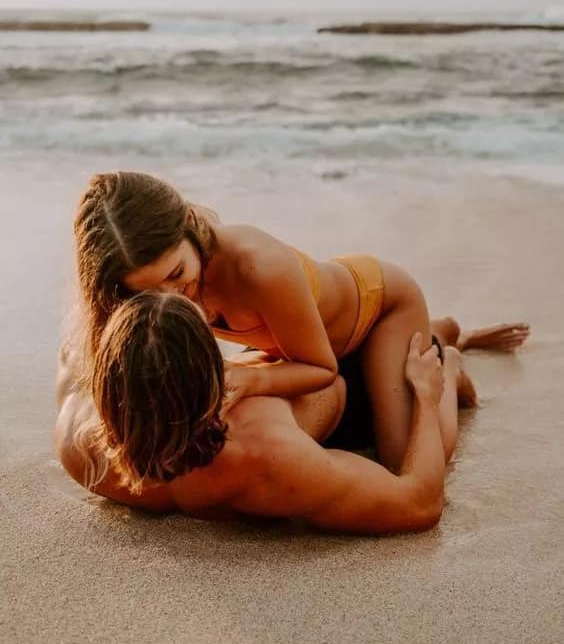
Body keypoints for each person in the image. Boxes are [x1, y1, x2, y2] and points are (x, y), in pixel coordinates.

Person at [73, 171, 529, 472]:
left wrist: (248, 383)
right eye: (148, 292)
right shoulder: (145, 289)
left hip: (377, 312)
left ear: (189, 224)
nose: (171, 299)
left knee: (403, 458)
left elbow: (322, 370)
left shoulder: (255, 265)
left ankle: (445, 361)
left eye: (177, 275)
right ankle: (440, 332)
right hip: (301, 340)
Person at [56, 291, 466, 533]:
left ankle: (442, 340)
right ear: (213, 375)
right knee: (428, 419)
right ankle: (448, 357)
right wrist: (427, 397)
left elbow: (69, 361)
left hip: (315, 369)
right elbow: (419, 501)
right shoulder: (267, 454)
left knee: (408, 350)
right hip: (337, 384)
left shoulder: (79, 445)